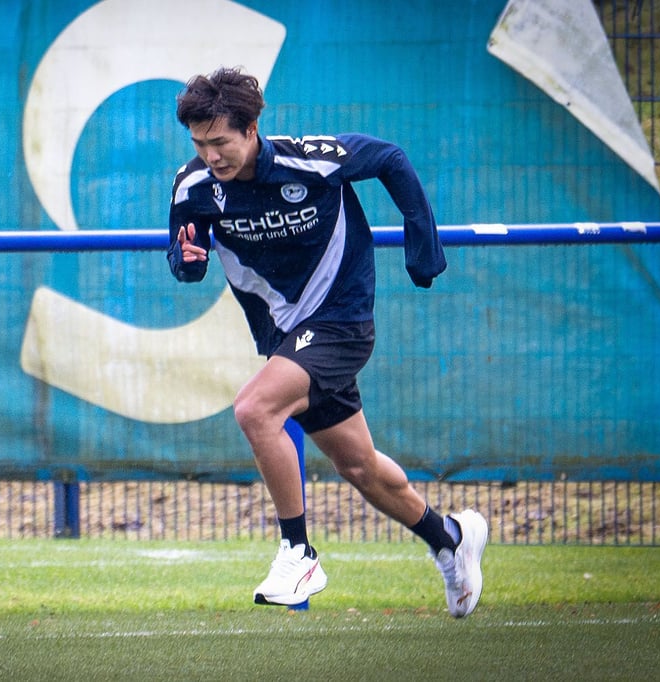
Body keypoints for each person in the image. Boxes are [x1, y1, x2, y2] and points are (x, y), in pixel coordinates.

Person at [167, 67, 488, 617]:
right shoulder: (194, 185)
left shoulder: (309, 160)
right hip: (288, 335)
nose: (210, 155)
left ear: (251, 129)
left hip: (341, 321)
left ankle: (298, 551)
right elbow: (182, 252)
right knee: (359, 466)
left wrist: (421, 240)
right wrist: (186, 261)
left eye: (219, 141)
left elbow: (389, 158)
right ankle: (450, 537)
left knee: (254, 409)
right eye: (199, 143)